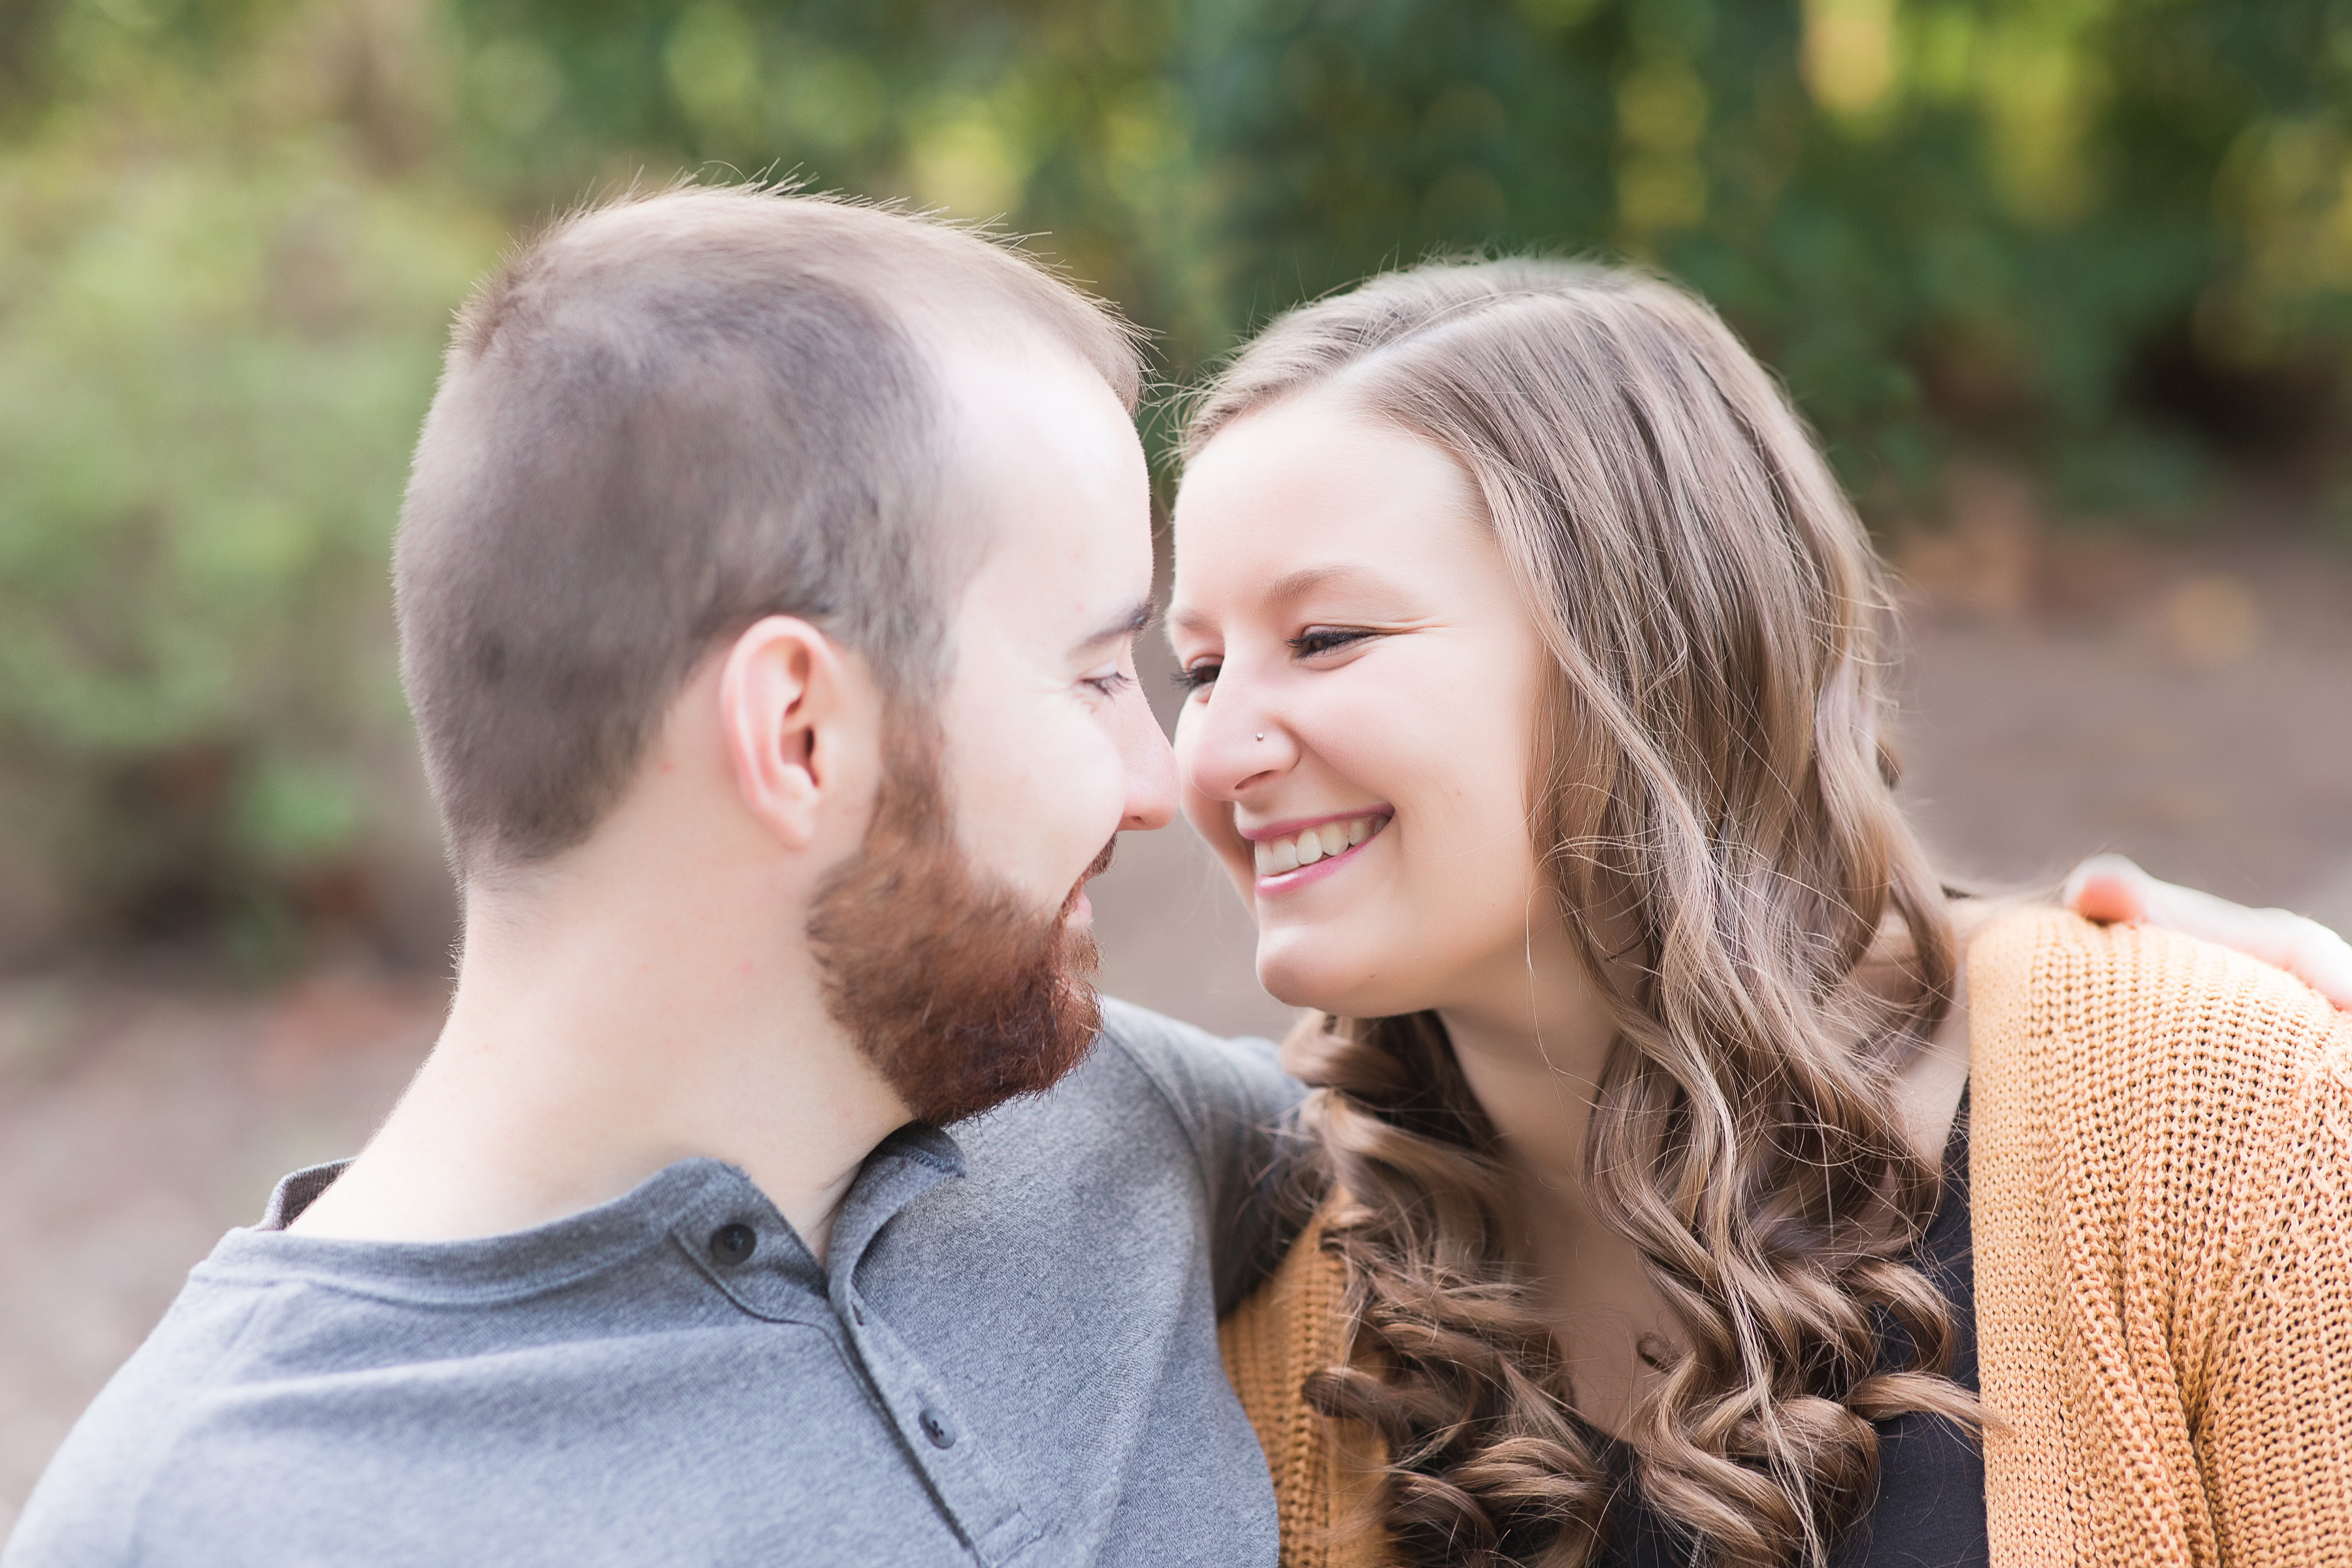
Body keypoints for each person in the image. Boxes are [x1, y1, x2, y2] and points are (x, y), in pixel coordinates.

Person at [4, 185, 1304, 1567]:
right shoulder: (201, 1524)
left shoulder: (1139, 1130)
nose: (1162, 783)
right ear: (799, 731)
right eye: (1098, 674)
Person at [1173, 259, 2352, 1568]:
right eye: (1199, 667)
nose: (1216, 757)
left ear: (1644, 646)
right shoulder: (1285, 1321)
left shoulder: (2218, 1112)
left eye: (1325, 638)